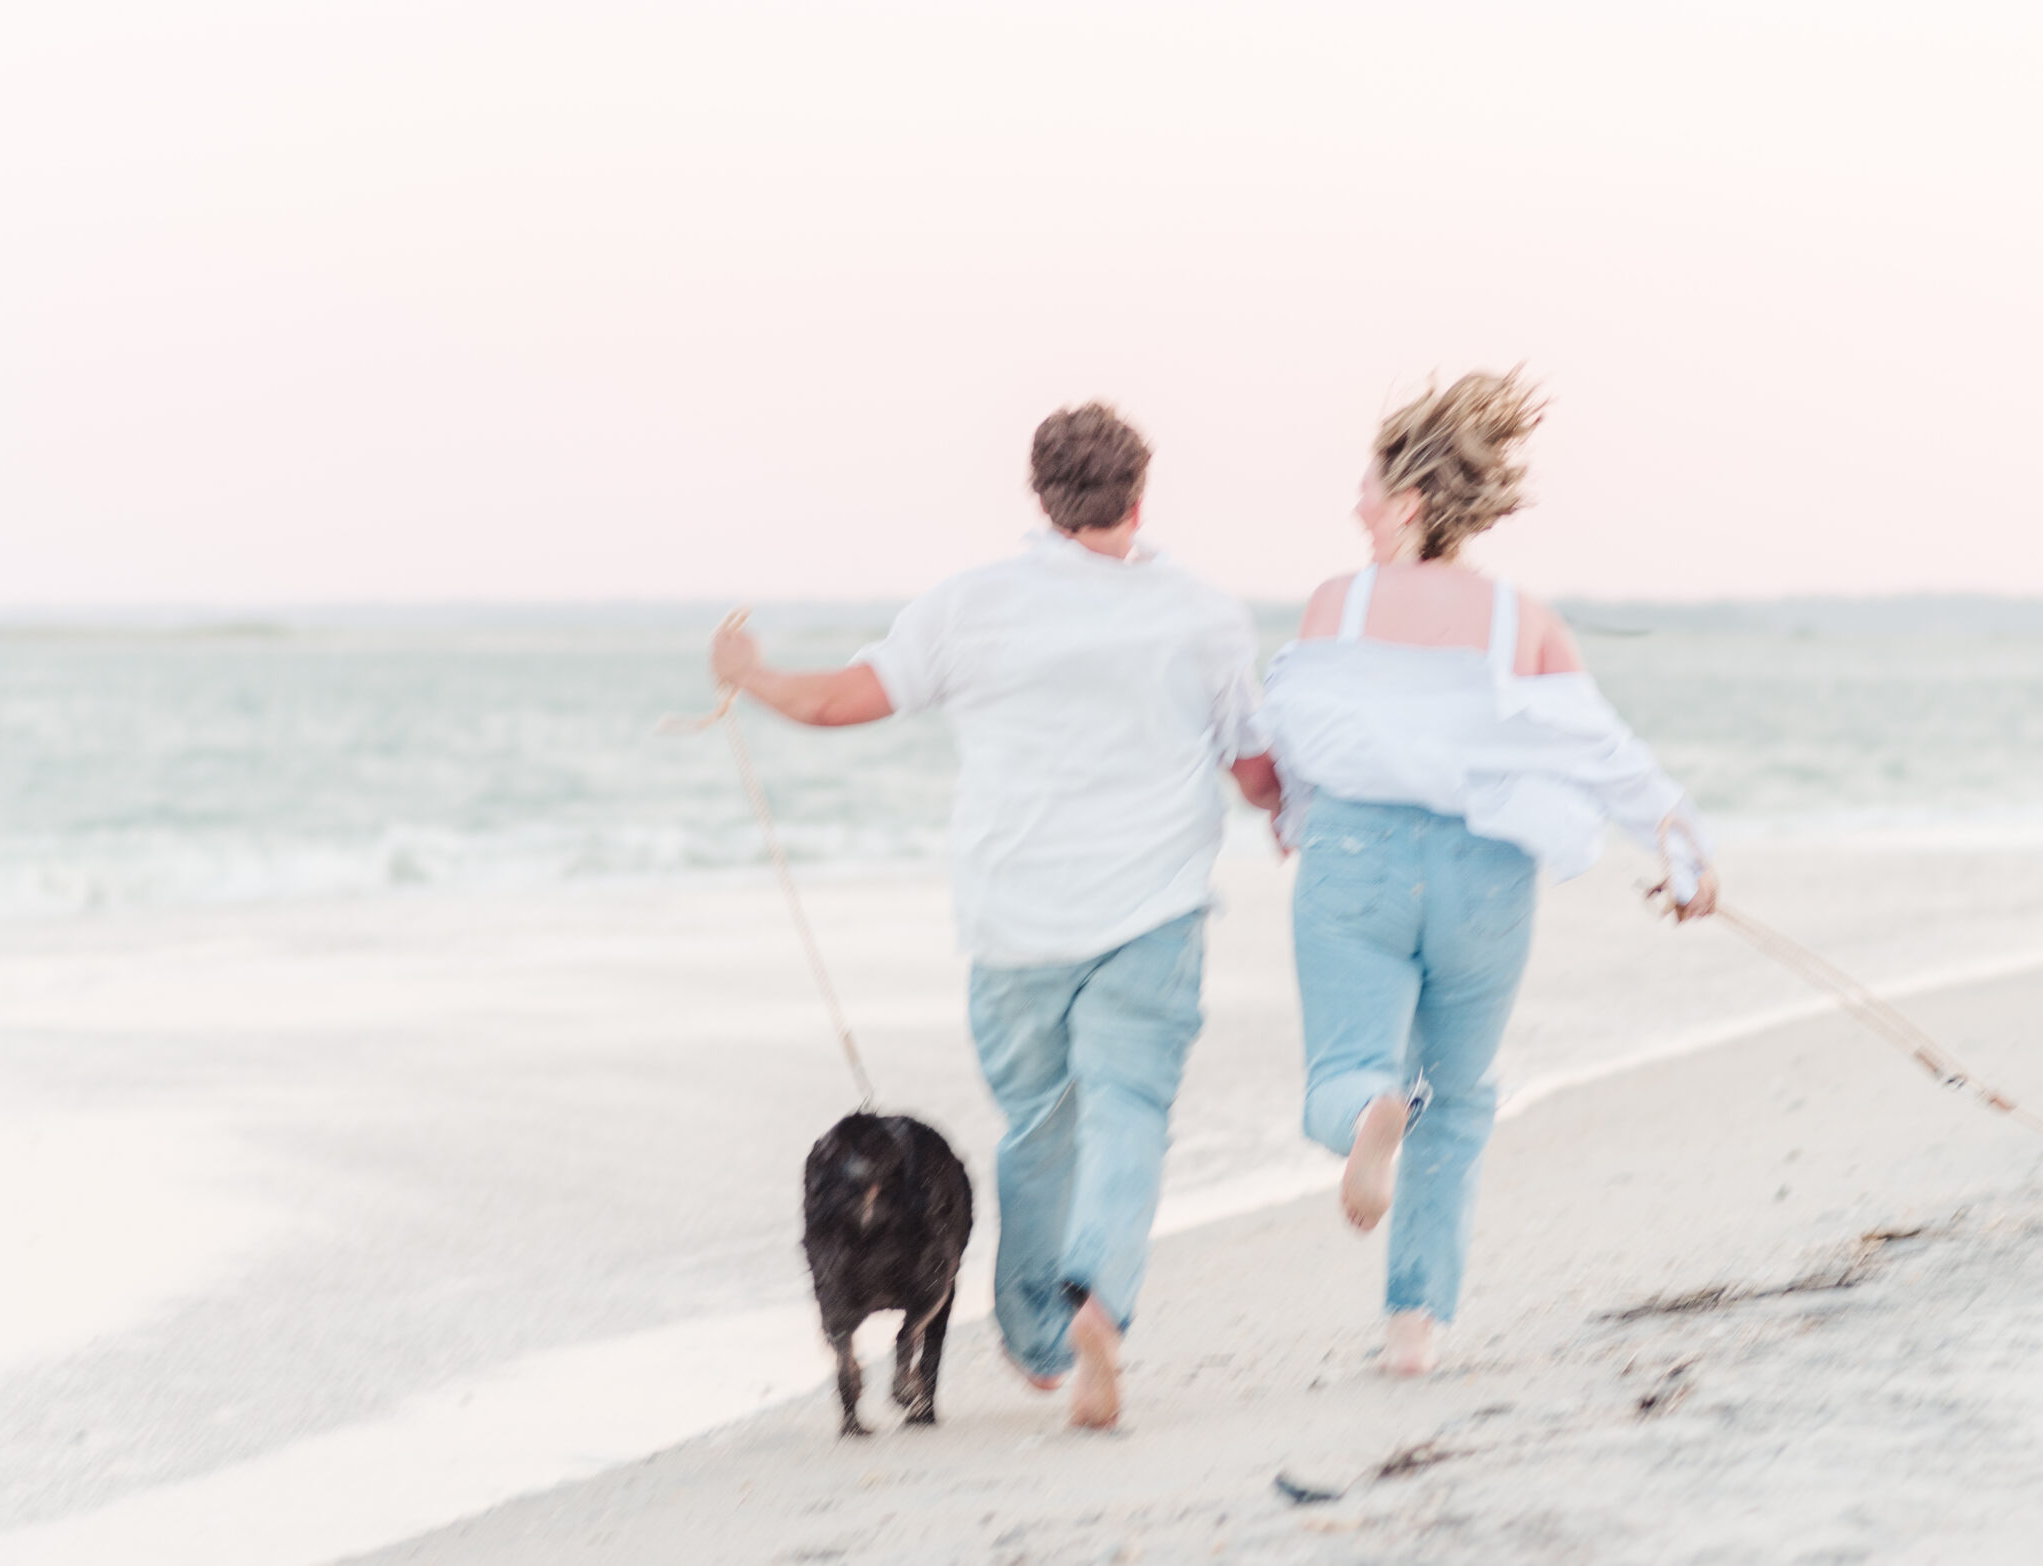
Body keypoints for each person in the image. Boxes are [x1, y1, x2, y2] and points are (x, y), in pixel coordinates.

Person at [710, 403, 1279, 1430]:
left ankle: (1032, 1330)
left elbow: (838, 701)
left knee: (1038, 1126)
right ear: (1137, 498)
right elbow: (1253, 766)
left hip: (1014, 920)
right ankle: (1099, 1296)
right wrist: (1295, 804)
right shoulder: (1202, 611)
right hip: (1155, 909)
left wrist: (748, 672)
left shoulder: (970, 605)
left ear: (1040, 493)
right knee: (1128, 1114)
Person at [1262, 370, 1717, 1378]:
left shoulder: (1335, 605)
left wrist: (1289, 818)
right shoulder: (1522, 619)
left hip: (1357, 856)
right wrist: (1682, 851)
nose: (1357, 509)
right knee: (1457, 1099)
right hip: (1485, 875)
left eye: (1370, 492)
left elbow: (1293, 727)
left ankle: (1368, 1116)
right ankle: (1413, 1330)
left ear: (1412, 503)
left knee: (1346, 1071)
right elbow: (1601, 749)